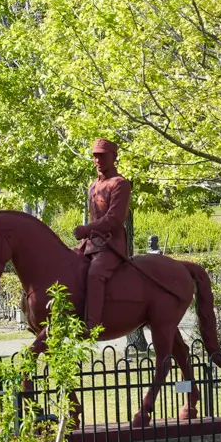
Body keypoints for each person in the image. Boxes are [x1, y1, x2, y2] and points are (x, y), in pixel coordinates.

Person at [72, 138, 132, 333]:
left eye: (102, 156)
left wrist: (86, 229)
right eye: (95, 156)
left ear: (113, 157)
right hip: (90, 244)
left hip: (110, 246)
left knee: (95, 274)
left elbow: (114, 219)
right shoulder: (93, 186)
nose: (97, 160)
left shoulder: (120, 184)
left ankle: (92, 325)